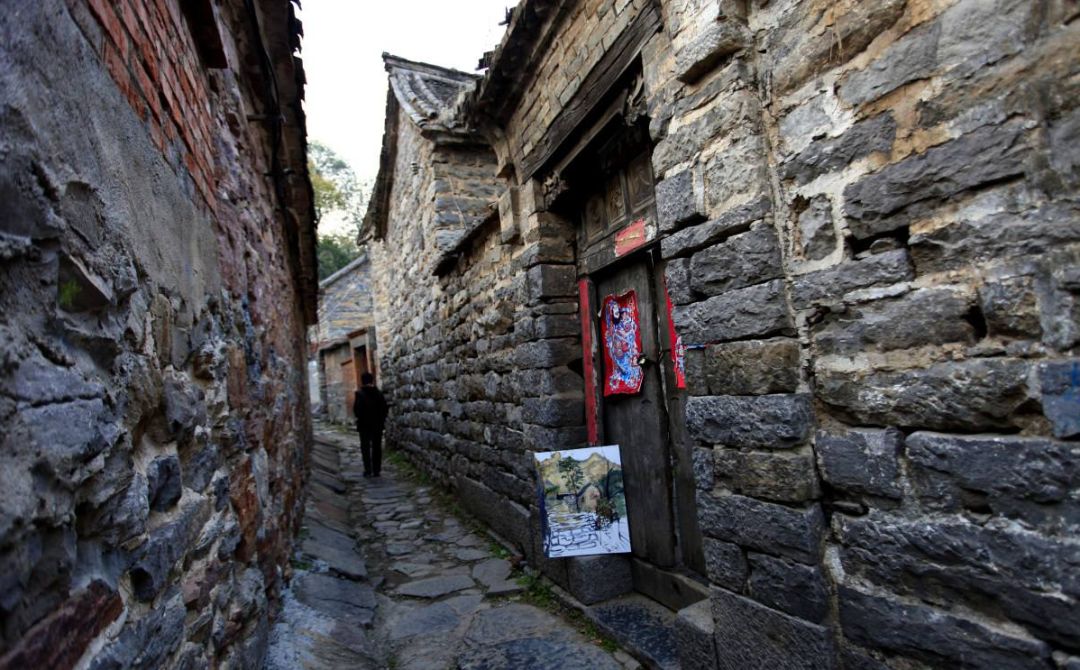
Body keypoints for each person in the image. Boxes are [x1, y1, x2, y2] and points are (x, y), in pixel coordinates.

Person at [352, 372, 388, 477]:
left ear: (362, 381)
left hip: (364, 426)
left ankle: (368, 469)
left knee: (365, 448)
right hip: (377, 425)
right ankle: (377, 470)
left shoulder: (359, 394)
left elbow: (356, 410)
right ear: (372, 380)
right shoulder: (379, 394)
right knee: (377, 447)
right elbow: (384, 409)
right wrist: (381, 420)